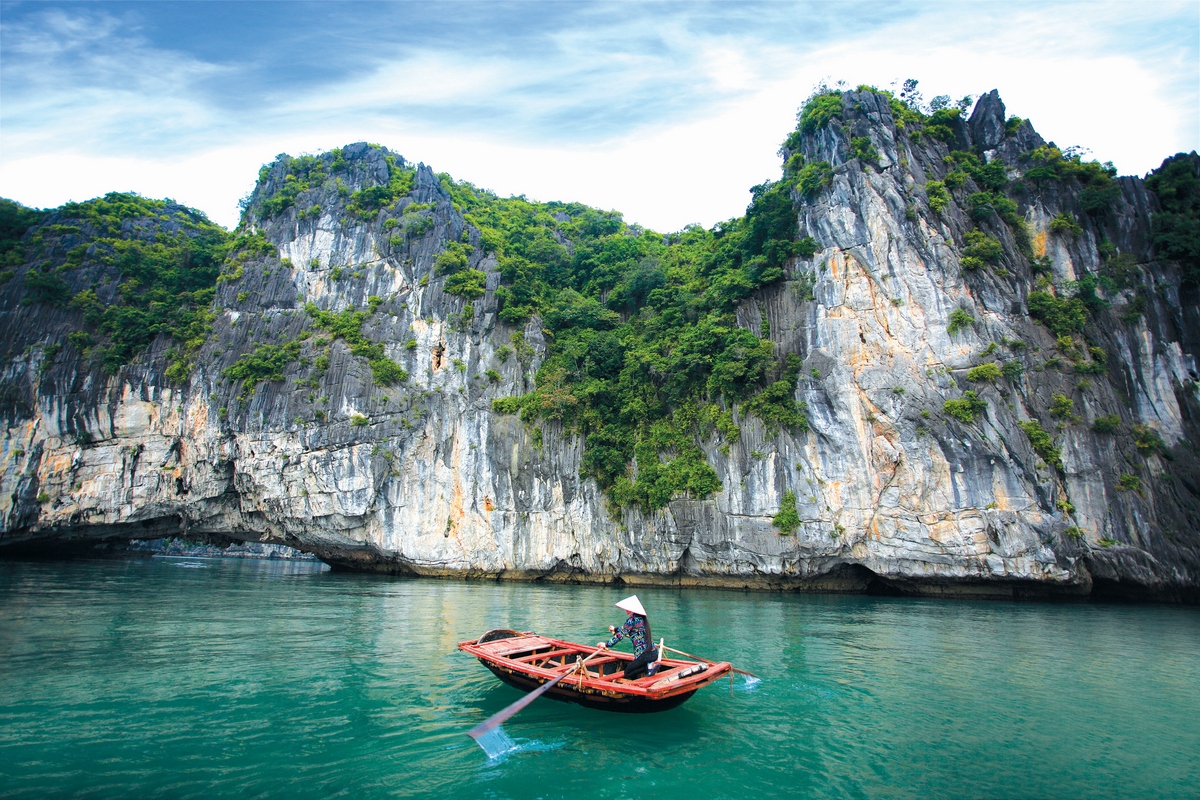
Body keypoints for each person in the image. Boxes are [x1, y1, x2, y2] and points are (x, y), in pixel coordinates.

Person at [596, 595, 659, 680]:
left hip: (644, 655)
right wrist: (615, 629)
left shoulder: (631, 620)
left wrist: (606, 644)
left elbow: (620, 636)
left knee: (627, 673)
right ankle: (649, 667)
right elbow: (626, 630)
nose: (626, 610)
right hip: (654, 653)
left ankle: (648, 668)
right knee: (635, 668)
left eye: (627, 609)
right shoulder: (643, 619)